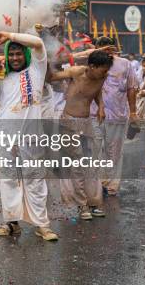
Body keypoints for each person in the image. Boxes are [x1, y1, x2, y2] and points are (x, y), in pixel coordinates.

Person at [0, 31, 58, 241]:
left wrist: (9, 35)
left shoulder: (36, 69)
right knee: (8, 179)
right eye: (11, 54)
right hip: (6, 136)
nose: (15, 58)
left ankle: (42, 224)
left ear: (25, 55)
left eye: (18, 54)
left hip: (31, 137)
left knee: (35, 179)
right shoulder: (1, 74)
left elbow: (38, 43)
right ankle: (11, 223)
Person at [50, 50, 112, 220]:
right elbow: (51, 78)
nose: (106, 73)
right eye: (103, 70)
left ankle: (94, 203)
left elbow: (97, 91)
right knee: (76, 165)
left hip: (86, 123)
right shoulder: (76, 72)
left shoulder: (102, 76)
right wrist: (48, 59)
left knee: (90, 164)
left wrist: (101, 107)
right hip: (68, 122)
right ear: (92, 66)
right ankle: (82, 205)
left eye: (107, 70)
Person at [90, 37, 138, 196]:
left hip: (117, 114)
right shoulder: (89, 63)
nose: (105, 52)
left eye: (108, 49)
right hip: (93, 114)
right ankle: (96, 184)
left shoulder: (125, 64)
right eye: (101, 49)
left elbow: (132, 87)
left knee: (114, 151)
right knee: (94, 149)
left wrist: (133, 112)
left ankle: (111, 185)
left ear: (114, 49)